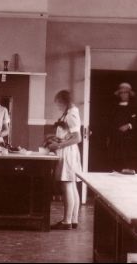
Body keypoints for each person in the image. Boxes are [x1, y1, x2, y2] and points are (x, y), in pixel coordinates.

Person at [47, 90, 82, 231]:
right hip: (69, 151)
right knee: (72, 185)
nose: (58, 107)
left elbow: (77, 138)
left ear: (64, 102)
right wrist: (57, 139)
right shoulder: (71, 112)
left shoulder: (71, 114)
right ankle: (73, 220)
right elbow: (69, 135)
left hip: (68, 152)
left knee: (67, 184)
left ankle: (67, 221)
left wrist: (58, 145)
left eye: (58, 104)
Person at [107, 82, 137, 172]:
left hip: (128, 140)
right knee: (115, 163)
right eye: (121, 93)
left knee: (127, 164)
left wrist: (129, 125)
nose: (123, 95)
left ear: (129, 94)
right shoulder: (114, 107)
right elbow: (110, 122)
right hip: (116, 139)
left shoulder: (134, 107)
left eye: (125, 92)